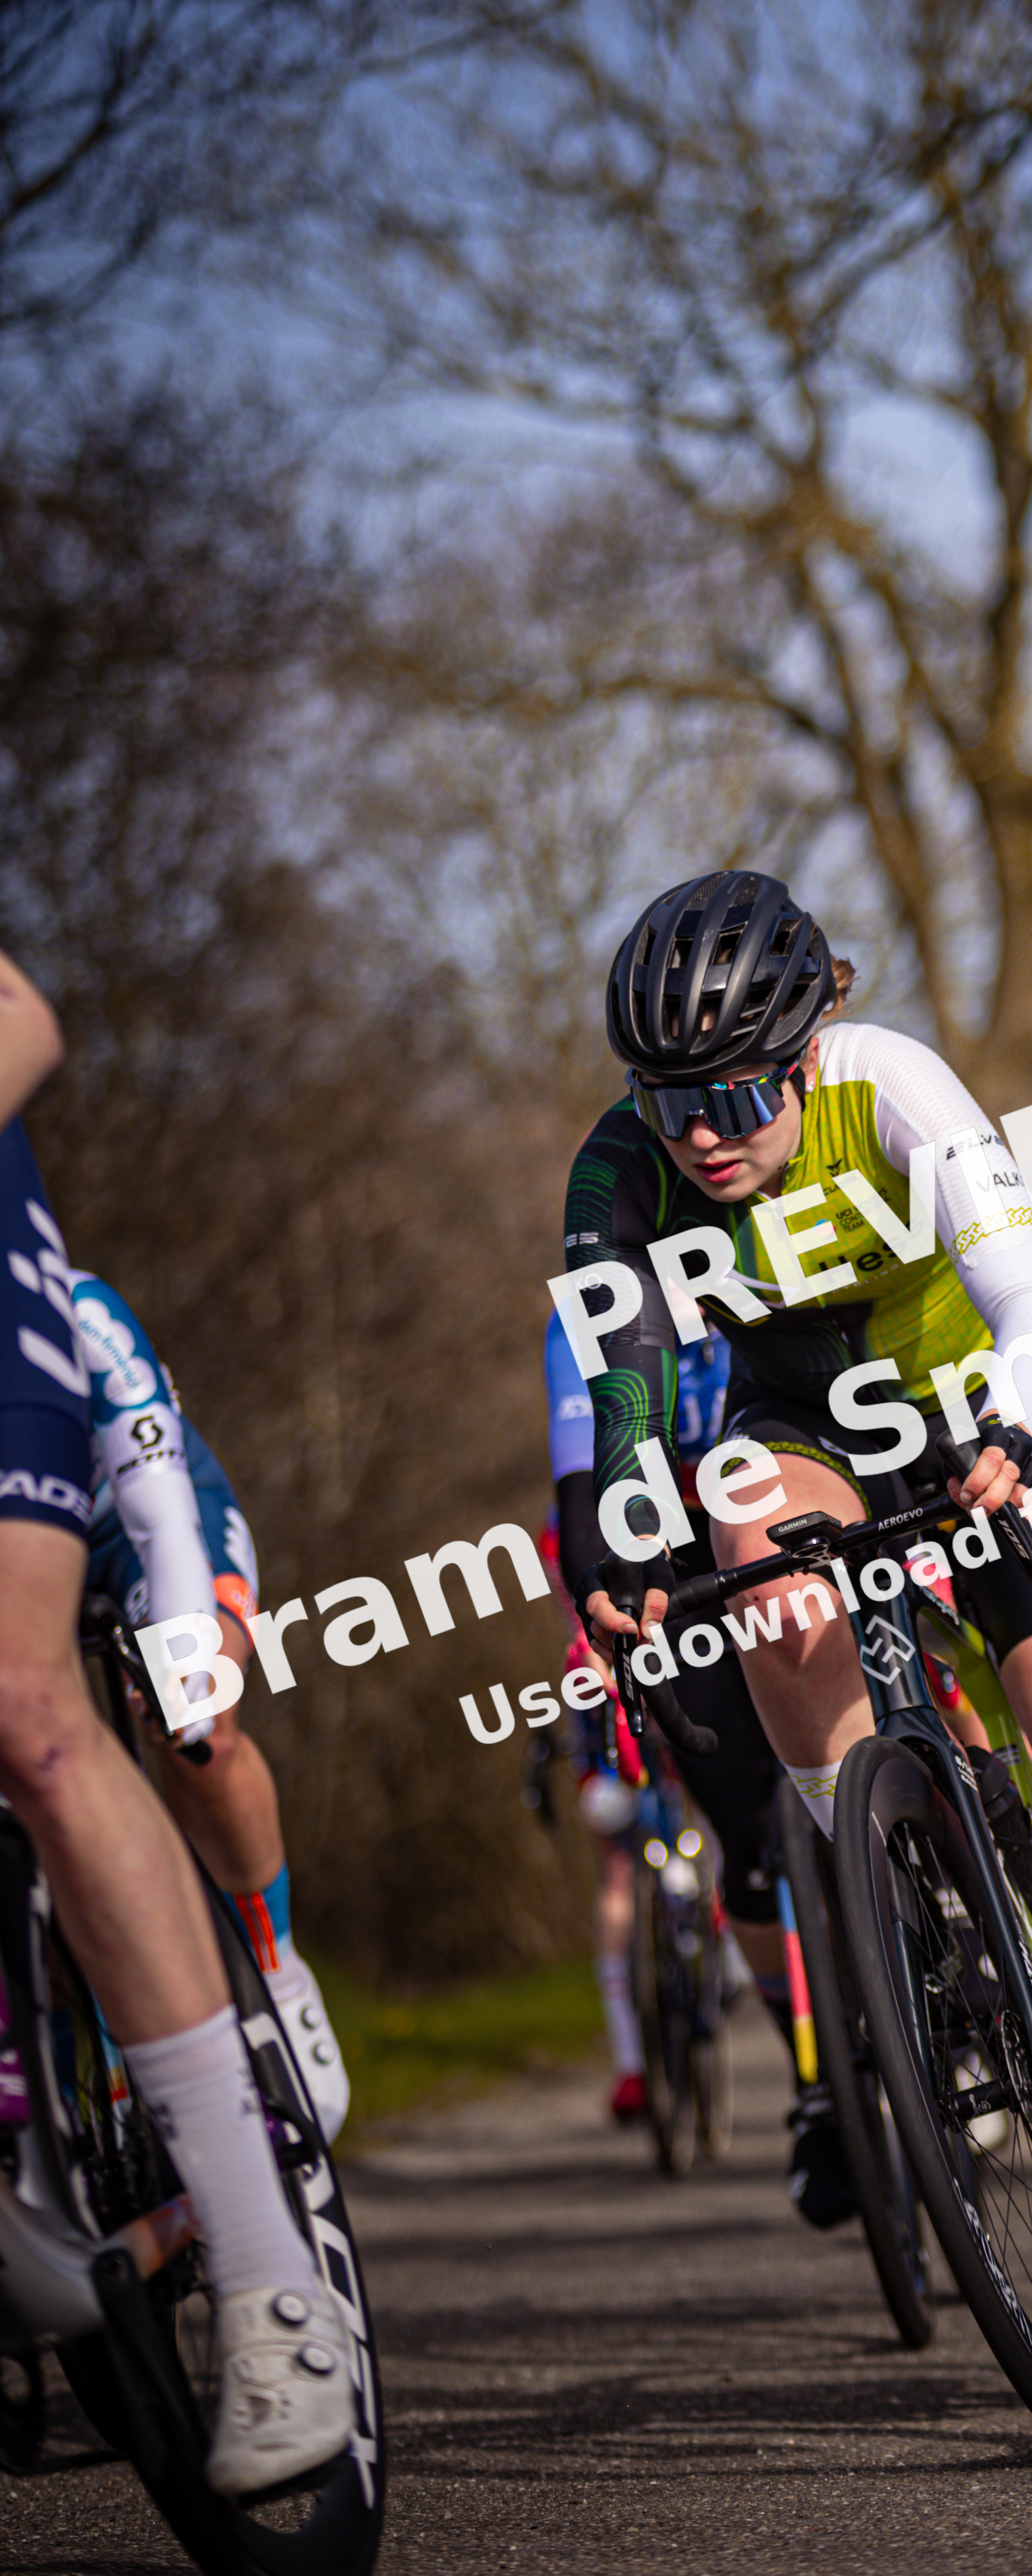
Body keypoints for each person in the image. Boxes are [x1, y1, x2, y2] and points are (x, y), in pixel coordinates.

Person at [563, 871, 1032, 2263]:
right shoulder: (620, 1170)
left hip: (1003, 1395)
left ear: (803, 1060)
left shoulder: (888, 1084)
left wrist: (1012, 1425)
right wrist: (619, 1533)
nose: (702, 1136)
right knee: (745, 1539)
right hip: (812, 1425)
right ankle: (904, 1893)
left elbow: (1029, 1288)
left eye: (737, 1099)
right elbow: (622, 1401)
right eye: (668, 1099)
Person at [0, 949, 351, 2494]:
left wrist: (195, 1616)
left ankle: (268, 1952)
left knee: (163, 1716)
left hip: (125, 1478)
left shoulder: (86, 1310)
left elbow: (150, 1480)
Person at [543, 1303, 860, 2220]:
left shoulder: (762, 1249)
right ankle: (815, 2081)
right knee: (748, 1850)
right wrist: (601, 1606)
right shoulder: (588, 1316)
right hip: (670, 1555)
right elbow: (577, 1497)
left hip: (810, 1496)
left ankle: (961, 1965)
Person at [72, 1266, 351, 2139]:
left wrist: (187, 1682)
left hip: (144, 1523)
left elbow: (163, 1524)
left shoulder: (77, 1311)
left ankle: (274, 1964)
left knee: (201, 1729)